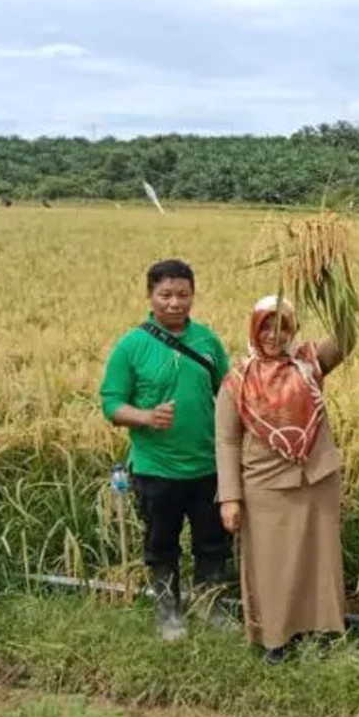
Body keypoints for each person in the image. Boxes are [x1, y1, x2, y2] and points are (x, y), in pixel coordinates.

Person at [99, 259, 232, 641]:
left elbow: (226, 391)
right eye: (166, 295)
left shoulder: (206, 340)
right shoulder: (132, 346)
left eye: (183, 295)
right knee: (162, 544)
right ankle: (168, 612)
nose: (175, 303)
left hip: (207, 464)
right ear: (150, 296)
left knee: (213, 542)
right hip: (156, 468)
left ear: (193, 296)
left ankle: (211, 606)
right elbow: (111, 405)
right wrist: (145, 416)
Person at [215, 296, 349, 663]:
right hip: (264, 487)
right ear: (253, 329)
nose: (274, 336)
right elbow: (226, 440)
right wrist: (229, 498)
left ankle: (320, 633)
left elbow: (347, 335)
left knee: (319, 563)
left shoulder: (309, 362)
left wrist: (329, 283)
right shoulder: (237, 380)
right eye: (265, 327)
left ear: (294, 328)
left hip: (316, 480)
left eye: (283, 326)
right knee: (271, 567)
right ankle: (275, 639)